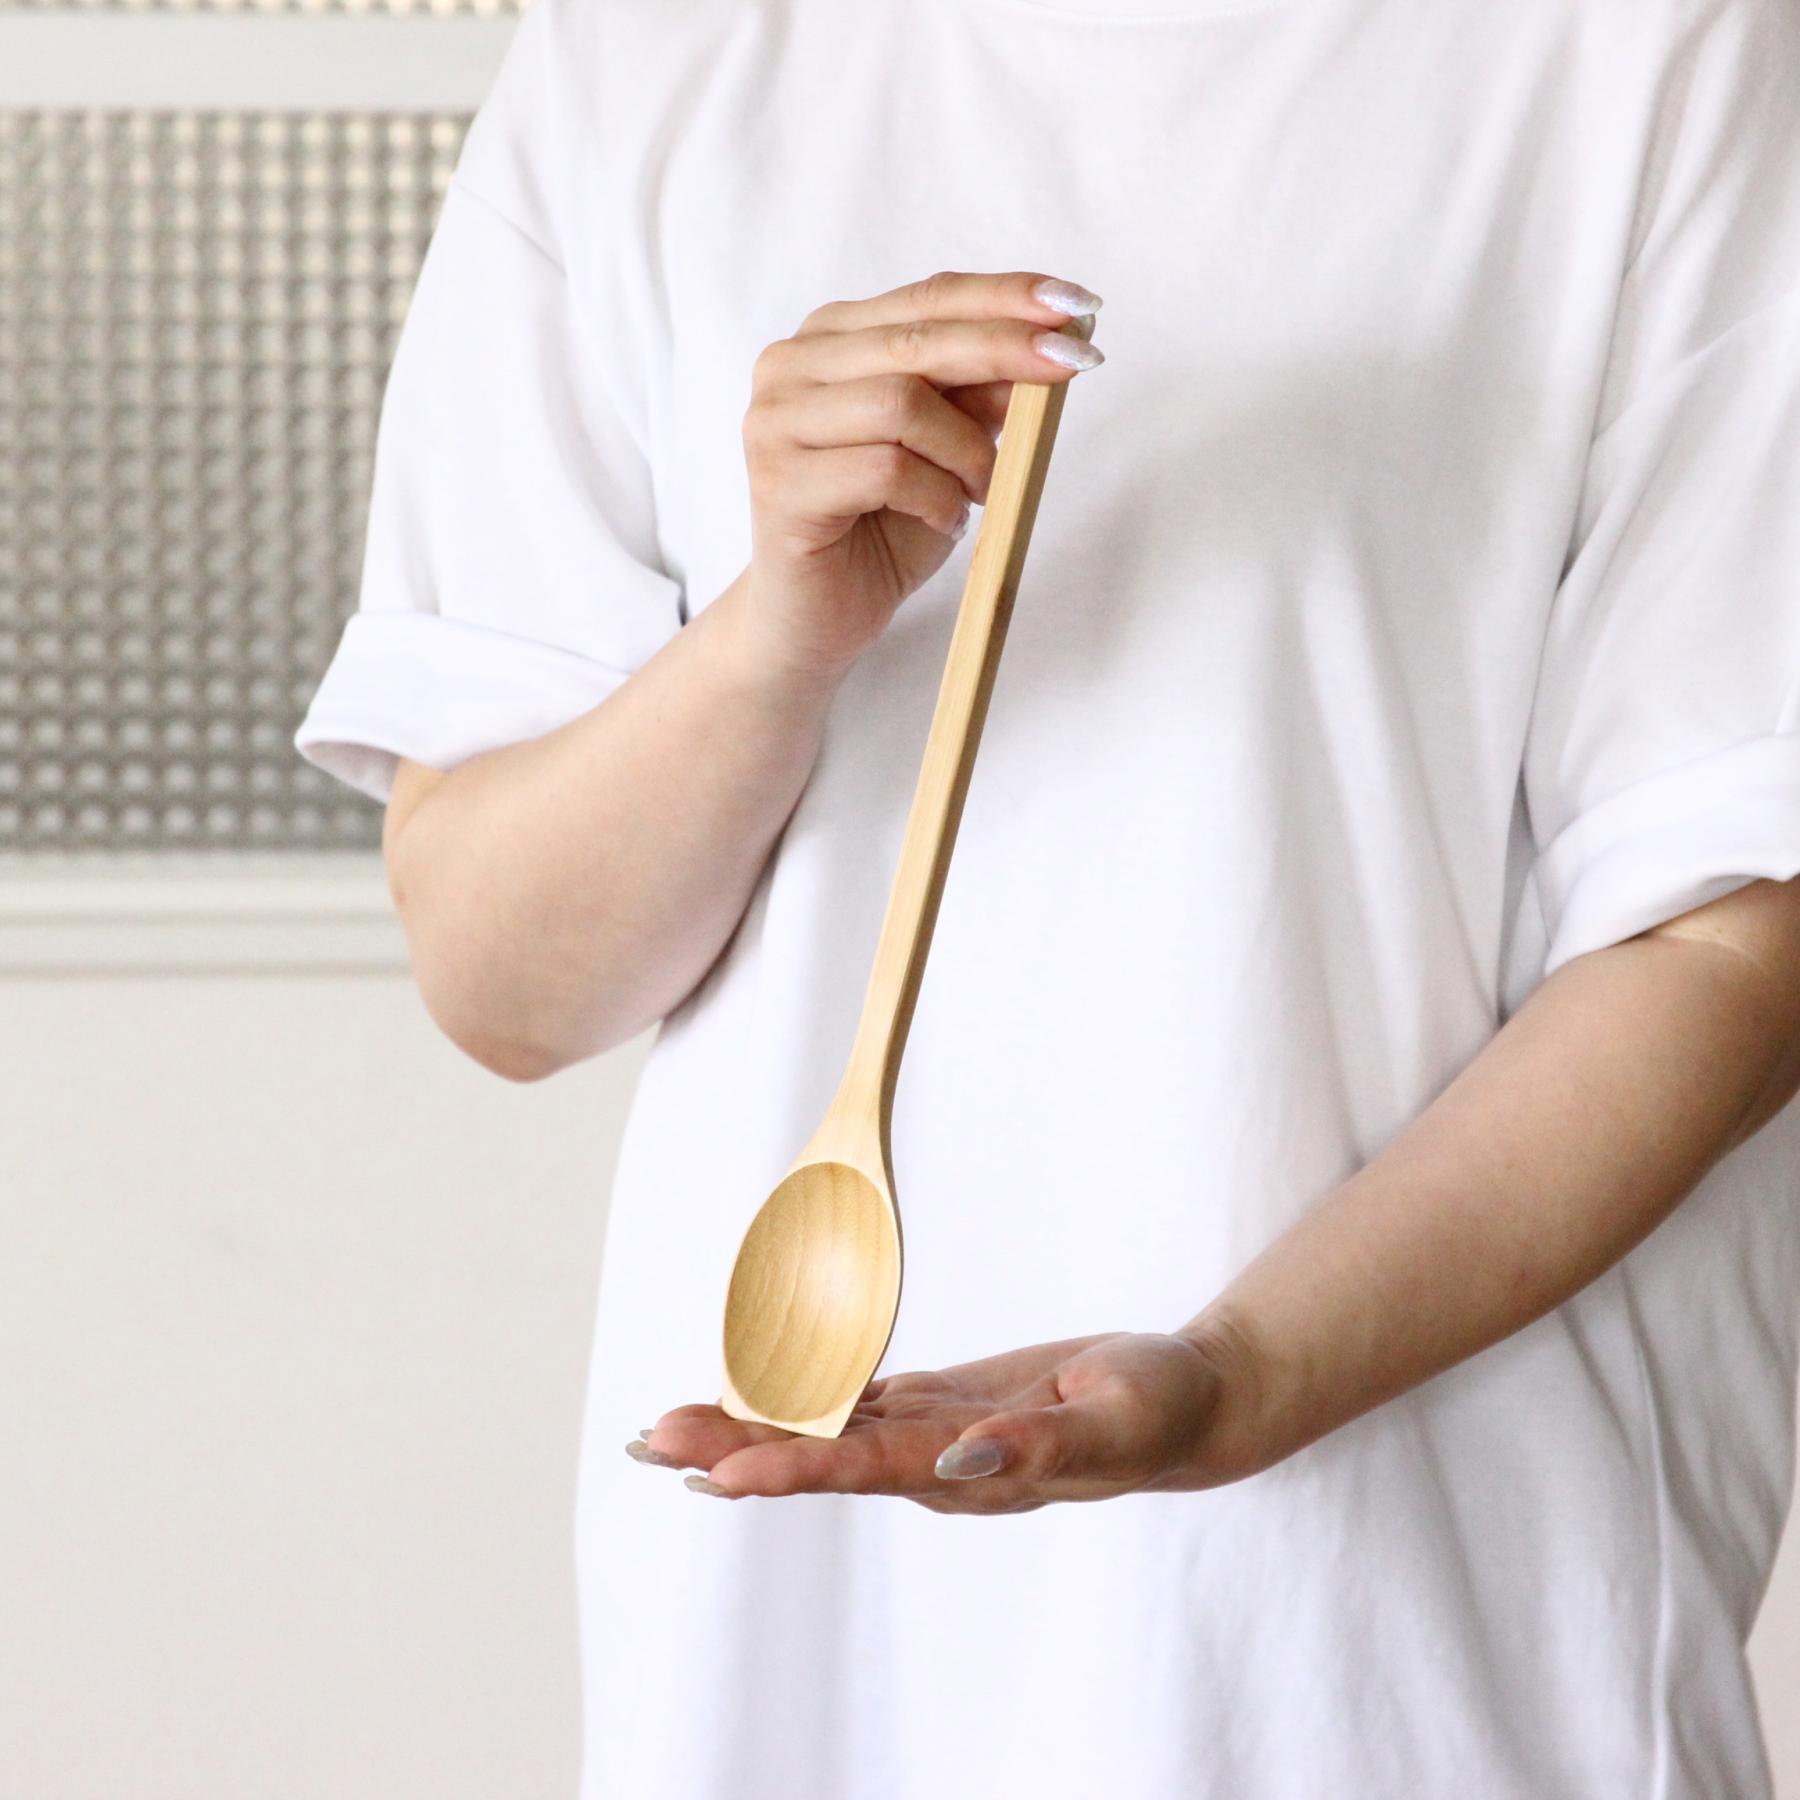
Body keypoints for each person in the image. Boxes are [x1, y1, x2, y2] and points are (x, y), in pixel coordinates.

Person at [295, 0, 1800, 1792]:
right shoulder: (640, 54)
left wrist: (1242, 1375)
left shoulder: (1668, 49)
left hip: (1415, 1651)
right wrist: (777, 635)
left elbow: (1728, 940)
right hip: (791, 1627)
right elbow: (506, 980)